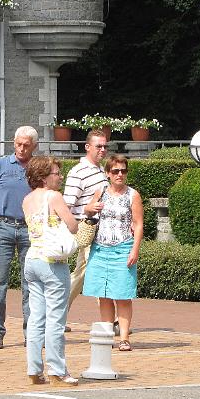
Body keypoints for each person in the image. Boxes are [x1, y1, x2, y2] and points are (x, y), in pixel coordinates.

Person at [0, 126, 37, 349]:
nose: (21, 149)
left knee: (30, 284)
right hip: (2, 227)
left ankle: (31, 333)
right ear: (13, 142)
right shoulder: (0, 165)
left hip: (30, 230)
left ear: (34, 147)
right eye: (18, 144)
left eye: (26, 145)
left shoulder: (38, 167)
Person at [22, 156, 79, 385]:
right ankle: (57, 370)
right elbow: (73, 225)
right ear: (44, 177)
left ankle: (34, 370)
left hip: (32, 259)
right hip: (52, 262)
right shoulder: (53, 196)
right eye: (56, 173)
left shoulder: (26, 199)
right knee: (56, 318)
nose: (60, 177)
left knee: (36, 318)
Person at [82, 155, 143, 351]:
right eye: (115, 171)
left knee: (123, 295)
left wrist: (135, 249)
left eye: (123, 171)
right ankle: (107, 335)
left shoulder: (133, 195)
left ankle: (124, 338)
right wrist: (90, 208)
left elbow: (138, 224)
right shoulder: (100, 192)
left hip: (123, 247)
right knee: (104, 294)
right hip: (100, 248)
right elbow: (88, 212)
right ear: (108, 173)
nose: (120, 174)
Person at [63, 129, 109, 322]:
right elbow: (66, 206)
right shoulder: (78, 172)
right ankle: (111, 320)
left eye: (105, 146)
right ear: (87, 147)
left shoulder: (101, 170)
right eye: (99, 146)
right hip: (86, 228)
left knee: (81, 274)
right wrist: (85, 214)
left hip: (100, 229)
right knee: (98, 271)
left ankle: (58, 314)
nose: (103, 150)